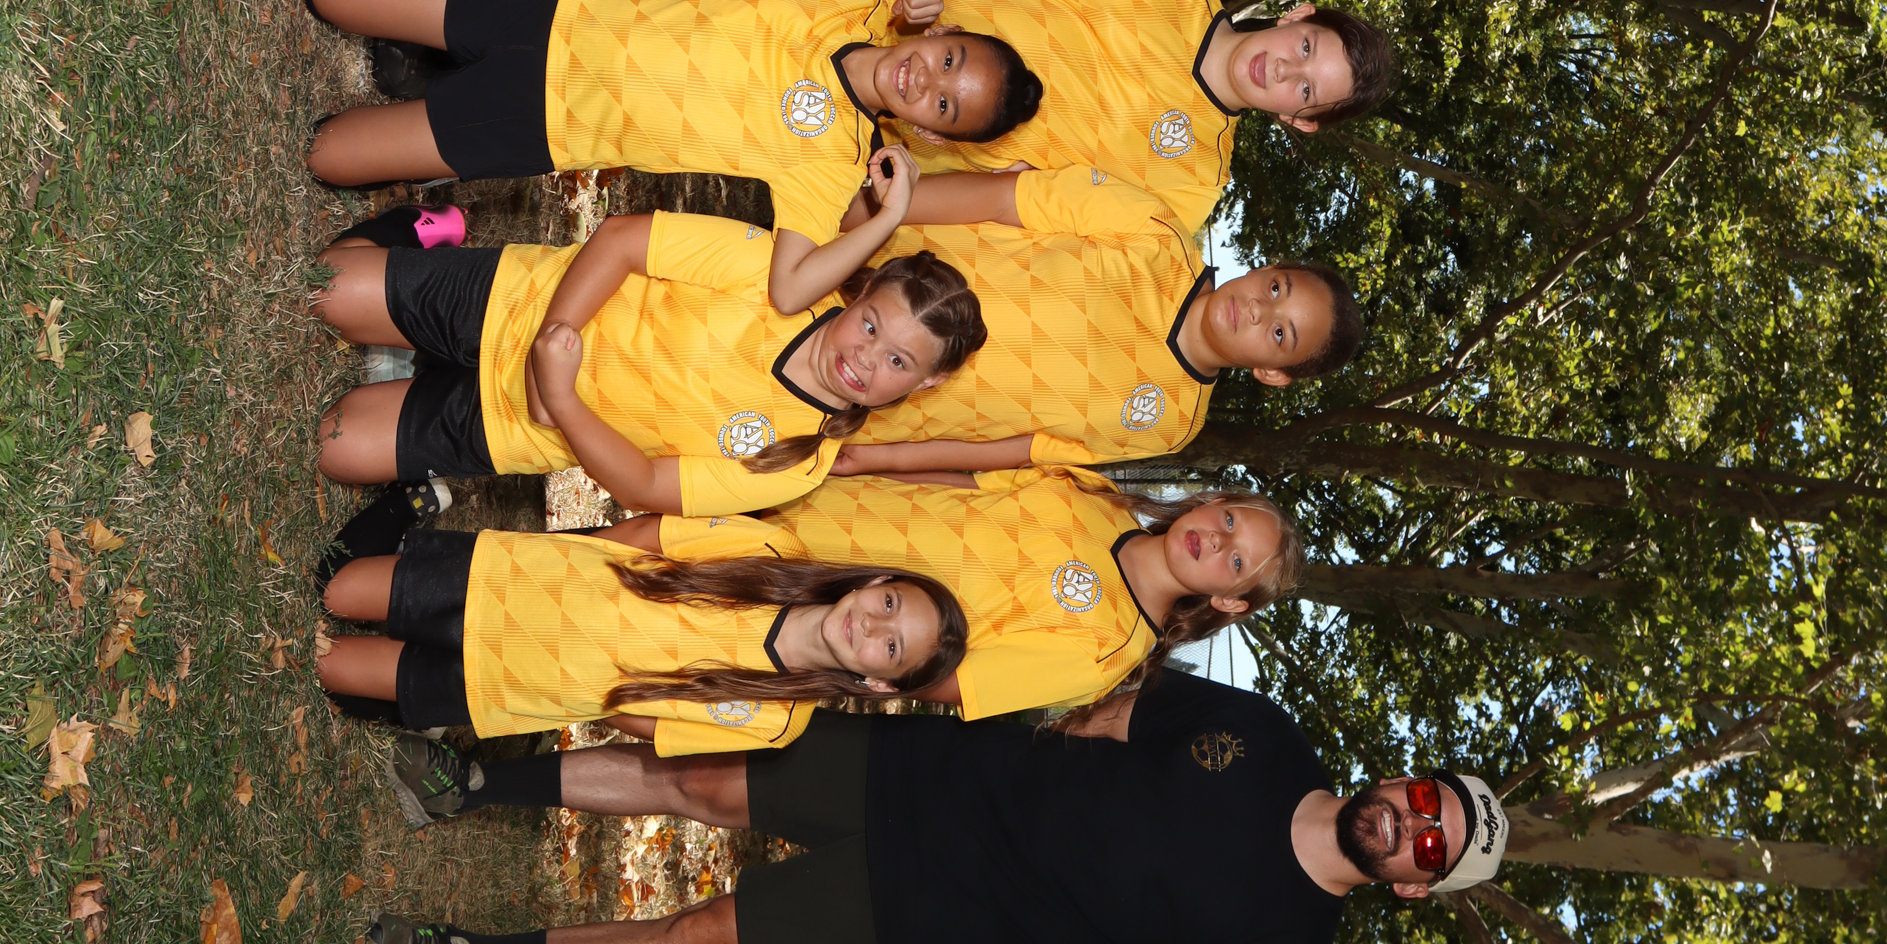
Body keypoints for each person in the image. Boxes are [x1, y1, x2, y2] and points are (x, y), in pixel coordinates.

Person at [359, 670, 1510, 944]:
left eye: (1428, 845)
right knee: (696, 778)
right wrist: (1020, 759)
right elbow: (1115, 714)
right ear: (1403, 775)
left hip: (934, 917)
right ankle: (470, 784)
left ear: (1413, 887)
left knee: (695, 939)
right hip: (934, 774)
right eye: (1424, 799)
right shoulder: (1266, 734)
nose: (1407, 824)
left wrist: (1019, 936)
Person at [301, 0, 1043, 260]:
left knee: (327, 157)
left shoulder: (834, 162)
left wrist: (889, 217)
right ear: (942, 31)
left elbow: (790, 287)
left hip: (548, 121)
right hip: (559, 15)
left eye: (944, 105)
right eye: (951, 59)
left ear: (930, 133)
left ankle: (423, 212)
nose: (929, 80)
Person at [410, 473, 1299, 741]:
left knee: (626, 626)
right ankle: (430, 572)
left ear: (1227, 599)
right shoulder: (1097, 498)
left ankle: (444, 666)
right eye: (1228, 520)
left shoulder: (1105, 649)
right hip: (801, 526)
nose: (1214, 540)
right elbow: (958, 479)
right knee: (615, 562)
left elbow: (947, 682)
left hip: (816, 614)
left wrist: (849, 657)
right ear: (1211, 502)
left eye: (1236, 560)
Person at [308, 207, 987, 524]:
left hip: (517, 423)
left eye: (898, 360)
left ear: (925, 382)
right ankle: (417, 231)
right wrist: (554, 337)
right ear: (860, 294)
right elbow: (623, 240)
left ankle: (407, 362)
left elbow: (643, 484)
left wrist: (560, 401)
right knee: (323, 288)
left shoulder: (800, 463)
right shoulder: (778, 274)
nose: (865, 357)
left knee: (332, 446)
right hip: (519, 299)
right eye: (870, 325)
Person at [779, 0, 1397, 238]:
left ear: (1298, 120)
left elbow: (1007, 204)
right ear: (1297, 16)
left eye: (1305, 90)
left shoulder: (1189, 189)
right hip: (867, 9)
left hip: (843, 141)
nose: (1285, 68)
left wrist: (857, 212)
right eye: (1305, 47)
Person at [315, 530, 965, 765]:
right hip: (517, 581)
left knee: (326, 662)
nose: (871, 627)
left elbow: (653, 726)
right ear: (876, 583)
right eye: (889, 605)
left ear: (881, 685)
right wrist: (564, 560)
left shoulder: (776, 724)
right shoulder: (775, 553)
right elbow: (649, 536)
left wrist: (589, 690)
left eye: (890, 649)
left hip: (514, 682)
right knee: (336, 591)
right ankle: (395, 523)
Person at [843, 182, 1365, 465]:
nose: (1257, 309)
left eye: (1279, 333)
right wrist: (861, 217)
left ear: (1274, 373)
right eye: (1276, 290)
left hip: (857, 396)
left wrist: (875, 459)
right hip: (861, 260)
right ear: (1268, 269)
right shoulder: (1155, 231)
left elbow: (1021, 448)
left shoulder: (1171, 427)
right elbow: (1001, 199)